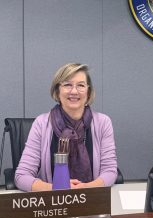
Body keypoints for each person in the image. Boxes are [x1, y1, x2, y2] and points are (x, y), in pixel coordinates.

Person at [15, 63, 117, 191]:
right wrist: (58, 189)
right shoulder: (41, 124)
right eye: (67, 85)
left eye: (80, 85)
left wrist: (86, 188)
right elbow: (21, 176)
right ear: (57, 92)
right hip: (53, 204)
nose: (74, 91)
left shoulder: (103, 122)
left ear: (88, 92)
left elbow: (110, 171)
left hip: (93, 200)